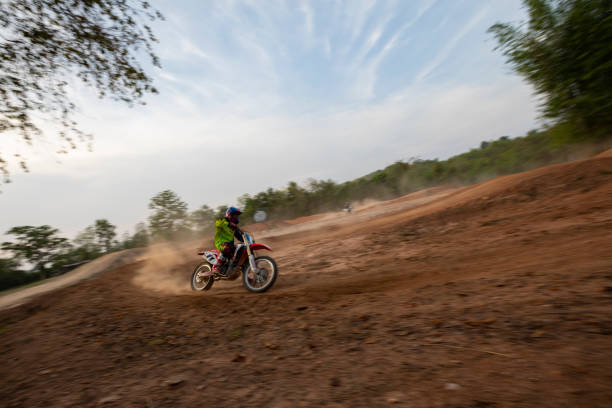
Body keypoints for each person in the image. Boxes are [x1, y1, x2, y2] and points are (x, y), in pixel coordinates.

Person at [213, 206, 244, 274]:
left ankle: (246, 274)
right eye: (235, 215)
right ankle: (216, 266)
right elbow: (218, 223)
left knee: (241, 249)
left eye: (237, 216)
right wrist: (229, 224)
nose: (236, 217)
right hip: (221, 242)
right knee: (227, 248)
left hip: (230, 244)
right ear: (230, 215)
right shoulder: (223, 220)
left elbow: (239, 237)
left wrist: (247, 240)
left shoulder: (234, 228)